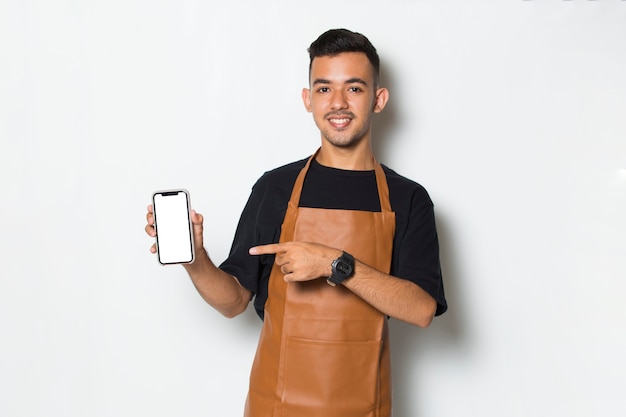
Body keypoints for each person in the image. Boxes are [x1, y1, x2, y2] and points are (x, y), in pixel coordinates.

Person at [145, 28, 446, 417]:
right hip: (276, 405)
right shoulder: (275, 188)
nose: (338, 103)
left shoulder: (408, 199)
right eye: (324, 89)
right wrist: (194, 258)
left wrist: (333, 264)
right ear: (308, 100)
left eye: (354, 88)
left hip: (363, 405)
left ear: (378, 99)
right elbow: (234, 300)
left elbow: (421, 309)